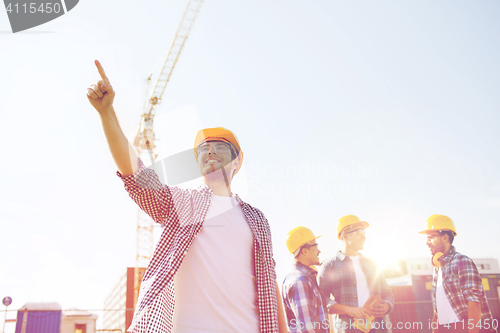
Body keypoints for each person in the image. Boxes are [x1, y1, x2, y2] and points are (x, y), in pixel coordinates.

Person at [86, 60, 287, 333]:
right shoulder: (182, 204)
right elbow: (135, 174)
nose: (209, 152)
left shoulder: (257, 219)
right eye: (203, 149)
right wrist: (107, 114)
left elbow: (269, 278)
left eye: (219, 147)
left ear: (237, 162)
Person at [420, 214, 497, 333]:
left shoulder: (461, 261)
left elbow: (474, 302)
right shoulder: (437, 270)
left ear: (445, 237)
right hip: (446, 328)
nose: (427, 242)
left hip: (465, 327)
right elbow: (439, 306)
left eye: (431, 237)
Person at [318, 215, 394, 333]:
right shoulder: (329, 266)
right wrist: (349, 310)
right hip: (349, 329)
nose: (363, 236)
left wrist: (386, 306)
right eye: (358, 232)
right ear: (345, 235)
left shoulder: (373, 264)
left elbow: (388, 293)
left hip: (378, 328)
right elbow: (322, 300)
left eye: (364, 232)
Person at [282, 227, 328, 333]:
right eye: (315, 246)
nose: (319, 251)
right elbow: (307, 328)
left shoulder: (304, 278)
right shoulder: (300, 282)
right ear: (305, 251)